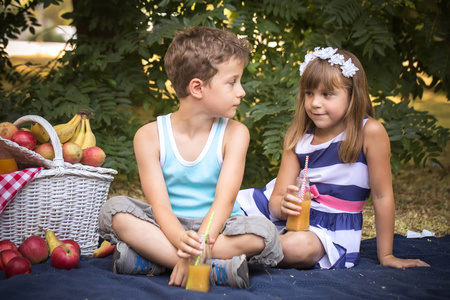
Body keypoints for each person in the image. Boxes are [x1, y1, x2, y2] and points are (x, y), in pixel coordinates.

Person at [98, 26, 283, 289]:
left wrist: (199, 243)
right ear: (198, 87)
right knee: (114, 211)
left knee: (264, 234)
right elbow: (159, 206)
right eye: (232, 82)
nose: (241, 91)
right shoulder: (149, 136)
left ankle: (153, 260)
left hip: (220, 228)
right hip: (167, 225)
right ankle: (211, 269)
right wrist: (180, 242)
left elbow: (224, 200)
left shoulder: (235, 134)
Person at [237, 47, 430, 270]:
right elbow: (276, 199)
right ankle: (219, 249)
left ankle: (230, 253)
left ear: (352, 95)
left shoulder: (370, 132)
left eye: (326, 94)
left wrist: (386, 255)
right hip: (285, 217)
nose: (315, 103)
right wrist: (283, 205)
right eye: (309, 93)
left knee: (298, 247)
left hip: (331, 229)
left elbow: (382, 195)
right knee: (224, 210)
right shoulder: (298, 138)